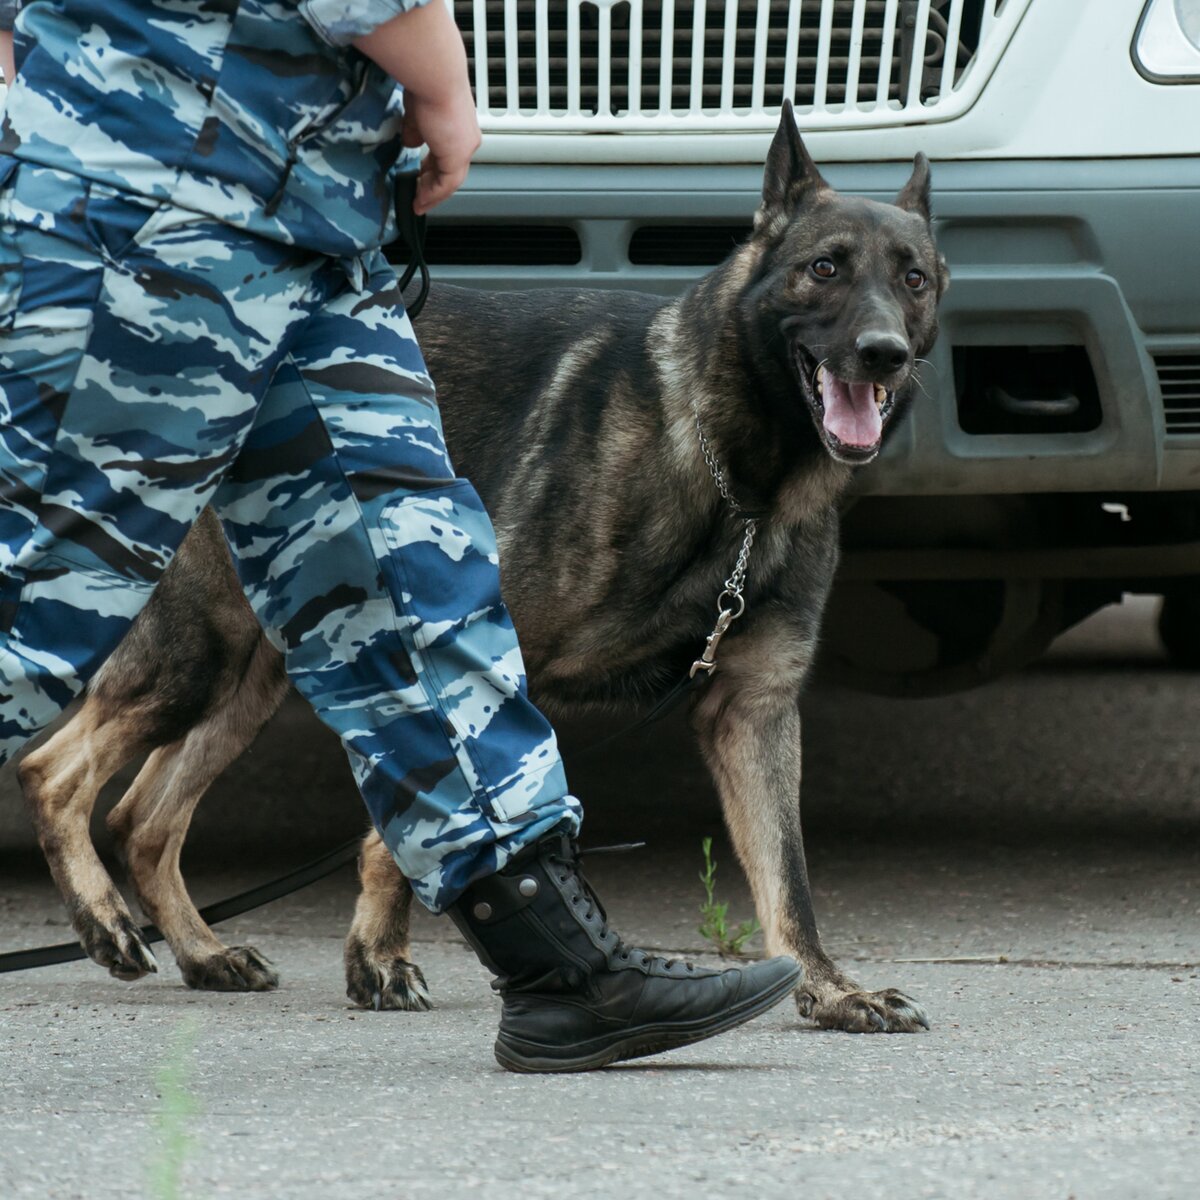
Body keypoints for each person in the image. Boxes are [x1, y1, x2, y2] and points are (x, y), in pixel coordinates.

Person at [0, 0, 799, 1073]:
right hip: (150, 223)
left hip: (308, 234)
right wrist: (446, 96)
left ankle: (559, 966)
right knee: (37, 602)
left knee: (404, 581)